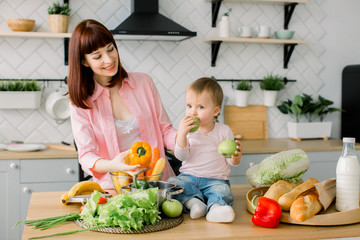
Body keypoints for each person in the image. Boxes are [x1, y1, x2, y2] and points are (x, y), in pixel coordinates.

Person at [67, 19, 177, 189]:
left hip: (159, 184)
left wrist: (185, 138)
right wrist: (113, 165)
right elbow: (86, 155)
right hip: (115, 188)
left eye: (111, 49)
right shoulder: (80, 103)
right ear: (84, 61)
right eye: (98, 56)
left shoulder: (144, 83)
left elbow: (165, 131)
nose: (109, 59)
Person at [167, 77, 242, 223]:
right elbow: (181, 156)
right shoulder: (187, 131)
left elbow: (230, 161)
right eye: (189, 106)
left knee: (222, 192)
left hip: (215, 180)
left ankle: (216, 208)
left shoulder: (224, 131)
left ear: (215, 110)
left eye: (200, 107)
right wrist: (181, 134)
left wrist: (235, 157)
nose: (193, 112)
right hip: (189, 177)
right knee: (172, 183)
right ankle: (195, 203)